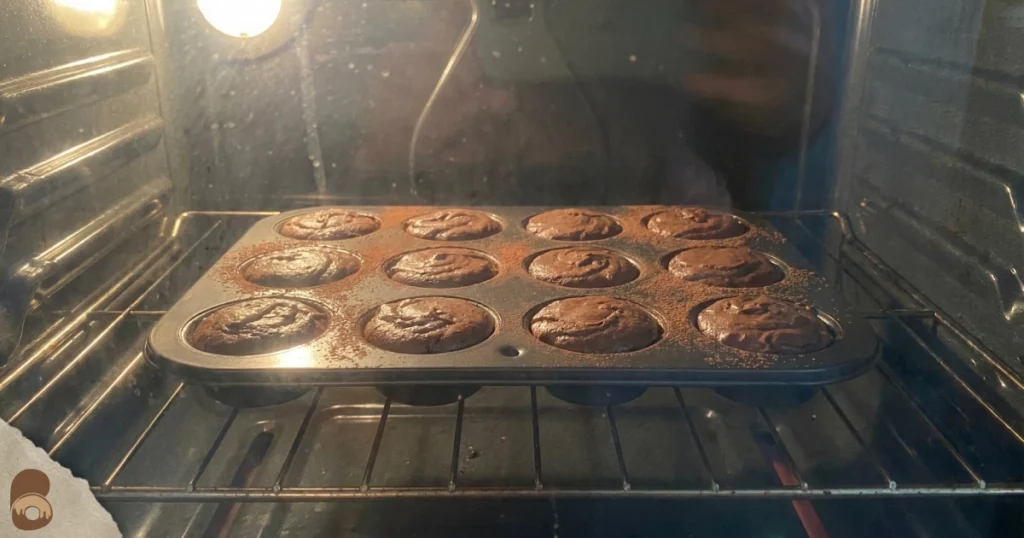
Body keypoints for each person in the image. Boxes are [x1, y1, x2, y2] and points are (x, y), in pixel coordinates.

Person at [350, 0, 838, 209]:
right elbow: (363, 170)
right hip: (443, 243)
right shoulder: (415, 58)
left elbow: (776, 119)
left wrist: (794, 102)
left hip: (668, 248)